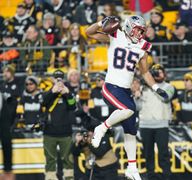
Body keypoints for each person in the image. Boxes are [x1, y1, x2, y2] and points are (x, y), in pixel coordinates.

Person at [85, 15, 169, 180]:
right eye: (138, 29)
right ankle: (101, 128)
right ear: (130, 26)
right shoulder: (117, 36)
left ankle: (132, 167)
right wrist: (101, 23)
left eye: (142, 31)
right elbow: (89, 33)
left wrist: (156, 87)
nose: (140, 33)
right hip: (111, 86)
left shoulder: (142, 47)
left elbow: (144, 72)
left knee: (131, 129)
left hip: (125, 91)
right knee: (129, 109)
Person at [133, 64, 175, 180]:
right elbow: (137, 108)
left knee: (163, 154)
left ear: (165, 74)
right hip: (145, 125)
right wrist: (136, 97)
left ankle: (167, 177)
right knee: (148, 154)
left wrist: (153, 85)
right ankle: (150, 177)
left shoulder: (169, 87)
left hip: (161, 125)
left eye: (160, 72)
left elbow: (165, 97)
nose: (158, 75)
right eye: (155, 73)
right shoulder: (143, 88)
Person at [42, 70, 76, 180]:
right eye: (56, 77)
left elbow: (73, 106)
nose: (58, 80)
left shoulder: (68, 92)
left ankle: (69, 178)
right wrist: (53, 92)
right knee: (50, 160)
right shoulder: (48, 91)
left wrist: (68, 94)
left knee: (68, 159)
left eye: (60, 77)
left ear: (64, 79)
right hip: (49, 132)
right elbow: (43, 103)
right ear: (52, 79)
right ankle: (51, 178)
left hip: (65, 132)